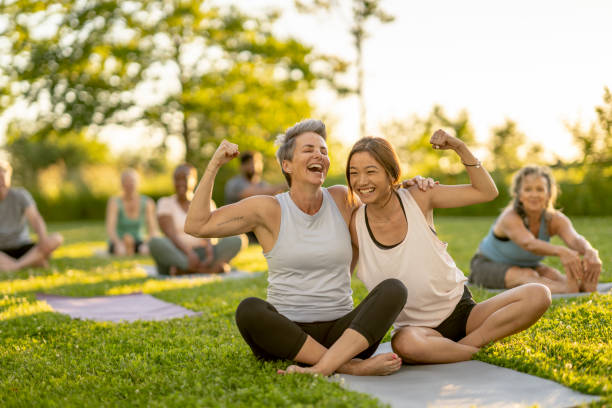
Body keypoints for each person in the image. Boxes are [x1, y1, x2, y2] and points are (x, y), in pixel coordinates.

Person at [185, 119, 429, 377]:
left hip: (343, 336)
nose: (319, 155)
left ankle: (326, 364)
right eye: (309, 149)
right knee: (249, 309)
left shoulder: (341, 198)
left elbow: (381, 196)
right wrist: (213, 165)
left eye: (324, 151)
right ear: (286, 164)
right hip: (286, 336)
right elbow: (197, 225)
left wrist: (410, 188)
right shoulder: (268, 209)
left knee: (394, 289)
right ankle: (349, 366)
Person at [347, 132, 552, 364]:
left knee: (538, 294)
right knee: (404, 344)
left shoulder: (418, 197)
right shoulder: (354, 224)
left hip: (464, 314)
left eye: (370, 171)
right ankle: (475, 351)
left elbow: (486, 192)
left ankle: (460, 347)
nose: (361, 181)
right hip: (417, 331)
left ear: (391, 172)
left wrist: (459, 146)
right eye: (354, 173)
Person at [469, 165, 602, 294]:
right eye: (528, 189)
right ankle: (568, 290)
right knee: (528, 275)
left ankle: (580, 286)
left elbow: (574, 239)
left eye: (540, 189)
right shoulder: (510, 217)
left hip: (527, 265)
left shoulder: (555, 219)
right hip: (486, 265)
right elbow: (529, 244)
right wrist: (561, 251)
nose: (534, 194)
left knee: (552, 275)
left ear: (548, 194)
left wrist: (589, 251)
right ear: (519, 195)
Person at [149, 164, 245, 275]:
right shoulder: (165, 202)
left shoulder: (207, 202)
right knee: (155, 243)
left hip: (203, 253)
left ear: (194, 180)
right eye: (177, 179)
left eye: (184, 178)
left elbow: (211, 230)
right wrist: (188, 253)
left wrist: (209, 250)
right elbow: (170, 233)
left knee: (238, 239)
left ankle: (185, 271)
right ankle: (206, 270)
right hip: (177, 253)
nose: (180, 183)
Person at [0, 159, 63, 272]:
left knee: (56, 238)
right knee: (40, 259)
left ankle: (15, 266)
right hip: (2, 251)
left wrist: (43, 240)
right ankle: (32, 261)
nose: (2, 180)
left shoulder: (20, 195)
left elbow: (35, 219)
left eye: (4, 174)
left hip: (23, 247)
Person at [224, 151, 286, 244]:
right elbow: (252, 194)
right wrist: (286, 184)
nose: (253, 165)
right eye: (249, 163)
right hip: (238, 227)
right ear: (242, 166)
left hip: (259, 227)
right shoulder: (234, 183)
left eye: (256, 162)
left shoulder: (264, 185)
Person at [105, 169, 157, 255]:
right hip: (119, 240)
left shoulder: (147, 202)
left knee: (145, 251)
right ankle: (127, 247)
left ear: (138, 183)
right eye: (126, 181)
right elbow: (110, 229)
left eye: (132, 181)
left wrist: (146, 244)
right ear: (121, 184)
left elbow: (153, 229)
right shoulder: (114, 202)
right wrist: (118, 243)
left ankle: (132, 248)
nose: (129, 184)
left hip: (139, 241)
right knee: (121, 251)